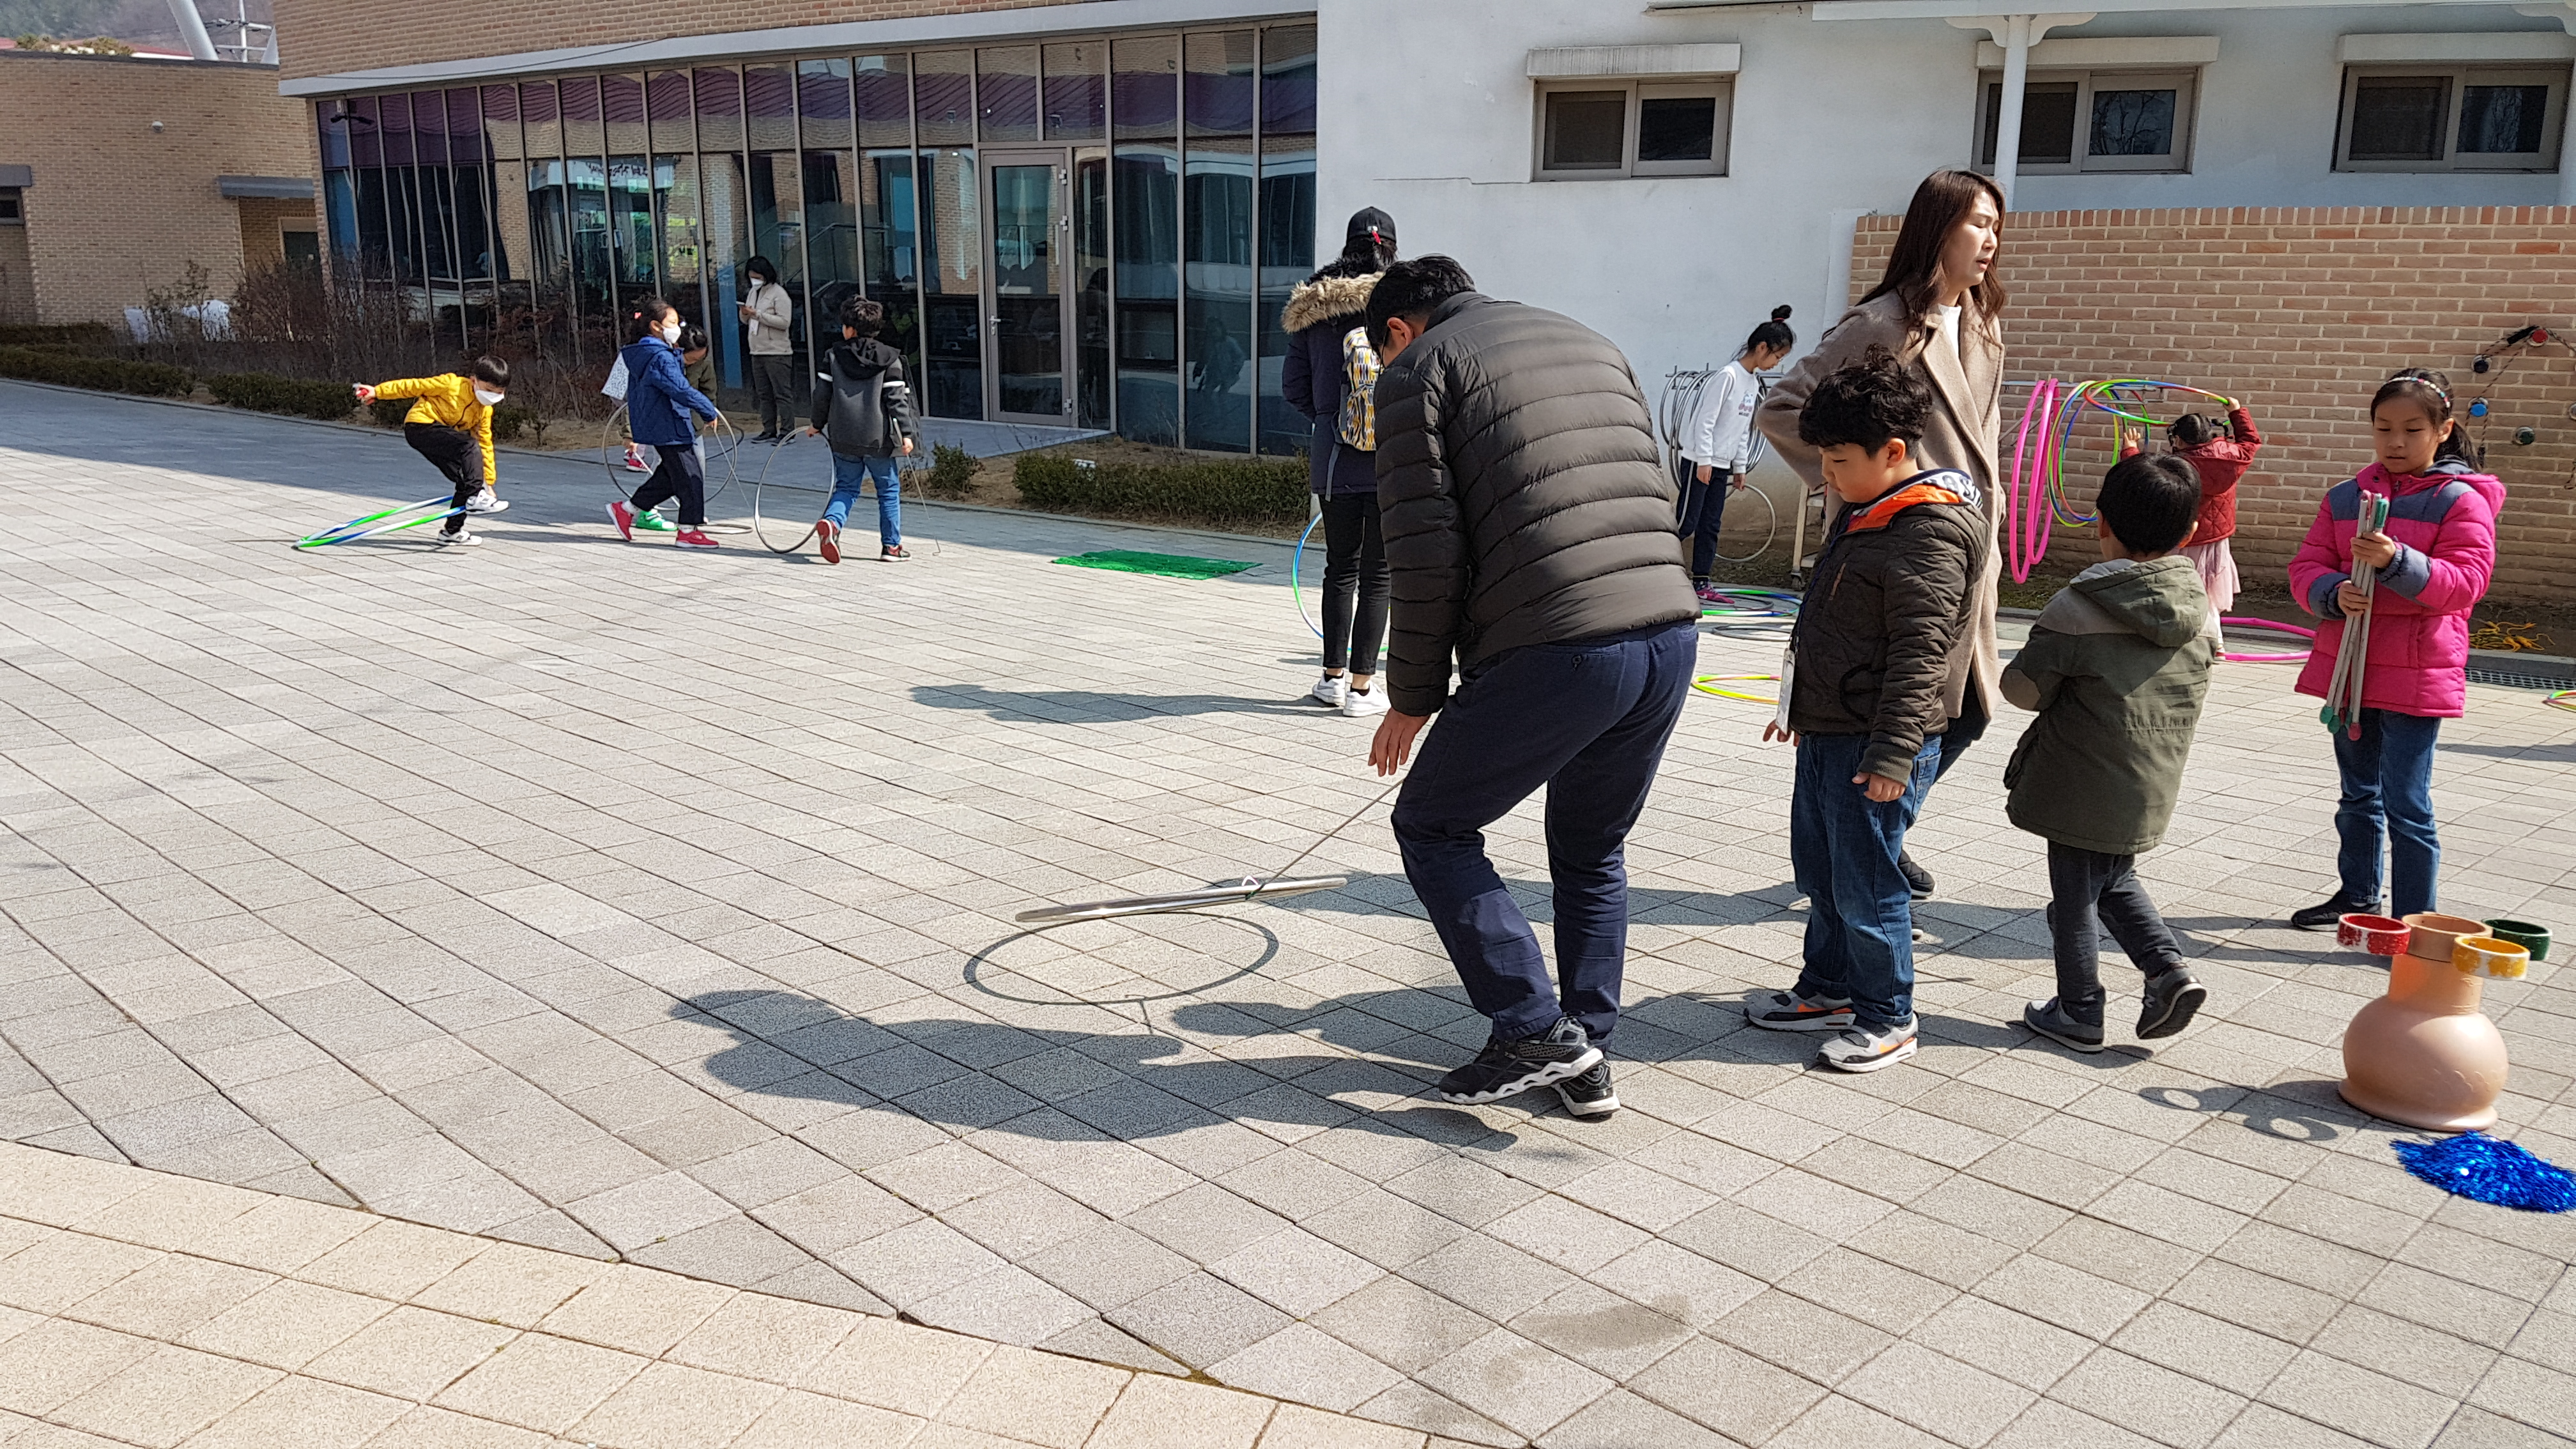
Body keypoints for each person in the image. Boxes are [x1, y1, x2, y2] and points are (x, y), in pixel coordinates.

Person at [1365, 256, 1701, 1118]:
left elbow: (1423, 551)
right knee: (1592, 849)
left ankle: (1530, 1028)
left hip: (1562, 645)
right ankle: (1587, 1055)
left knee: (1433, 825)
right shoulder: (1590, 339)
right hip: (1669, 631)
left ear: (1399, 328)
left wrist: (1412, 697)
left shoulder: (1417, 370)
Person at [1757, 169, 2007, 905]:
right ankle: (1866, 857)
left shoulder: (1983, 324)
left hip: (1967, 549)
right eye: (1977, 223)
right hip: (1901, 550)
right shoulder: (1882, 324)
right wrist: (1853, 483)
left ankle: (1875, 842)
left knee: (1971, 711)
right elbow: (1784, 409)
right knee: (1918, 708)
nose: (1990, 240)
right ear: (1936, 228)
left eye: (1996, 226)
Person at [1745, 347, 1986, 1073]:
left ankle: (1888, 1015)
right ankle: (1827, 988)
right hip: (1829, 727)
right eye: (1824, 459)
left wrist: (1892, 755)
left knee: (1869, 885)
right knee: (1823, 873)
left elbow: (1921, 656)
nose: (1827, 475)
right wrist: (1796, 704)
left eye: (1839, 461)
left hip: (1876, 742)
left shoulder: (1929, 529)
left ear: (1894, 452)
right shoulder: (1868, 511)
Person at [2003, 452, 2216, 1053]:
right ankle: (2168, 971)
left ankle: (2079, 1009)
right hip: (2152, 777)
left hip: (2078, 780)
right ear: (2190, 532)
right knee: (2115, 876)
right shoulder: (2204, 613)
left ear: (2101, 522)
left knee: (2075, 897)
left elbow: (2022, 691)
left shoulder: (2077, 605)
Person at [2285, 370, 2502, 928]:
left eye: (2412, 429)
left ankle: (2413, 923)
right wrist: (2332, 592)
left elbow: (2465, 584)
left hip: (2417, 673)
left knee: (2408, 803)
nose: (2396, 442)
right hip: (2352, 671)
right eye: (2384, 429)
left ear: (2443, 430)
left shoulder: (2460, 501)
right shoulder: (2347, 498)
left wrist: (2395, 561)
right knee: (2357, 795)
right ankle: (2358, 897)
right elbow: (2307, 565)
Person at [1282, 207, 1397, 717]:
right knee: (1380, 574)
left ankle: (1331, 679)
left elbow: (1293, 386)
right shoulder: (1402, 303)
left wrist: (1331, 419)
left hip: (1333, 459)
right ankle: (1363, 689)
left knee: (1340, 567)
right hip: (1392, 458)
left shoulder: (1314, 306)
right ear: (1389, 248)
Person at [1677, 305, 1795, 597]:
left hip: (1722, 465)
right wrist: (1704, 460)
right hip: (1699, 462)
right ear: (1762, 347)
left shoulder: (1753, 382)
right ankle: (1656, 570)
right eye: (1777, 357)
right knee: (1686, 522)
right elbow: (1705, 421)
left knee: (1711, 524)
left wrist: (1739, 467)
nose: (1776, 363)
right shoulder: (1727, 376)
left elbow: (1744, 428)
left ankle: (1701, 581)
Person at [353, 357, 513, 548]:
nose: (492, 396)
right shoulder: (451, 385)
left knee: (466, 478)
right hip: (421, 426)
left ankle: (451, 532)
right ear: (473, 381)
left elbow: (485, 444)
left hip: (442, 435)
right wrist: (378, 392)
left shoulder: (484, 410)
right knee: (469, 446)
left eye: (499, 393)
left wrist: (489, 483)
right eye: (489, 390)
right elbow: (413, 386)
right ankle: (475, 497)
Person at [807, 295, 919, 564]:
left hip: (843, 435)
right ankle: (891, 547)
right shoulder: (890, 359)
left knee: (846, 487)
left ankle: (832, 523)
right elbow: (897, 401)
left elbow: (821, 395)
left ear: (849, 329)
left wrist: (816, 424)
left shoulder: (833, 356)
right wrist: (907, 434)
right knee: (888, 491)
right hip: (878, 438)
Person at [608, 297, 724, 550]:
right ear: (656, 326)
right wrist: (707, 409)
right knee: (691, 476)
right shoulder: (658, 356)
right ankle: (688, 531)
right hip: (667, 424)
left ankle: (627, 509)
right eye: (673, 322)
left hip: (664, 422)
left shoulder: (654, 353)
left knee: (672, 476)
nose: (678, 328)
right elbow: (680, 389)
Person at [738, 256, 796, 440]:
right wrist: (745, 313)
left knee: (782, 394)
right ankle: (768, 429)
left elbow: (784, 322)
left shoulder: (779, 293)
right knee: (764, 394)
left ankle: (787, 431)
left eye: (757, 276)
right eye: (751, 276)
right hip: (756, 350)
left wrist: (758, 314)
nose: (754, 280)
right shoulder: (753, 292)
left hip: (776, 352)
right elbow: (746, 320)